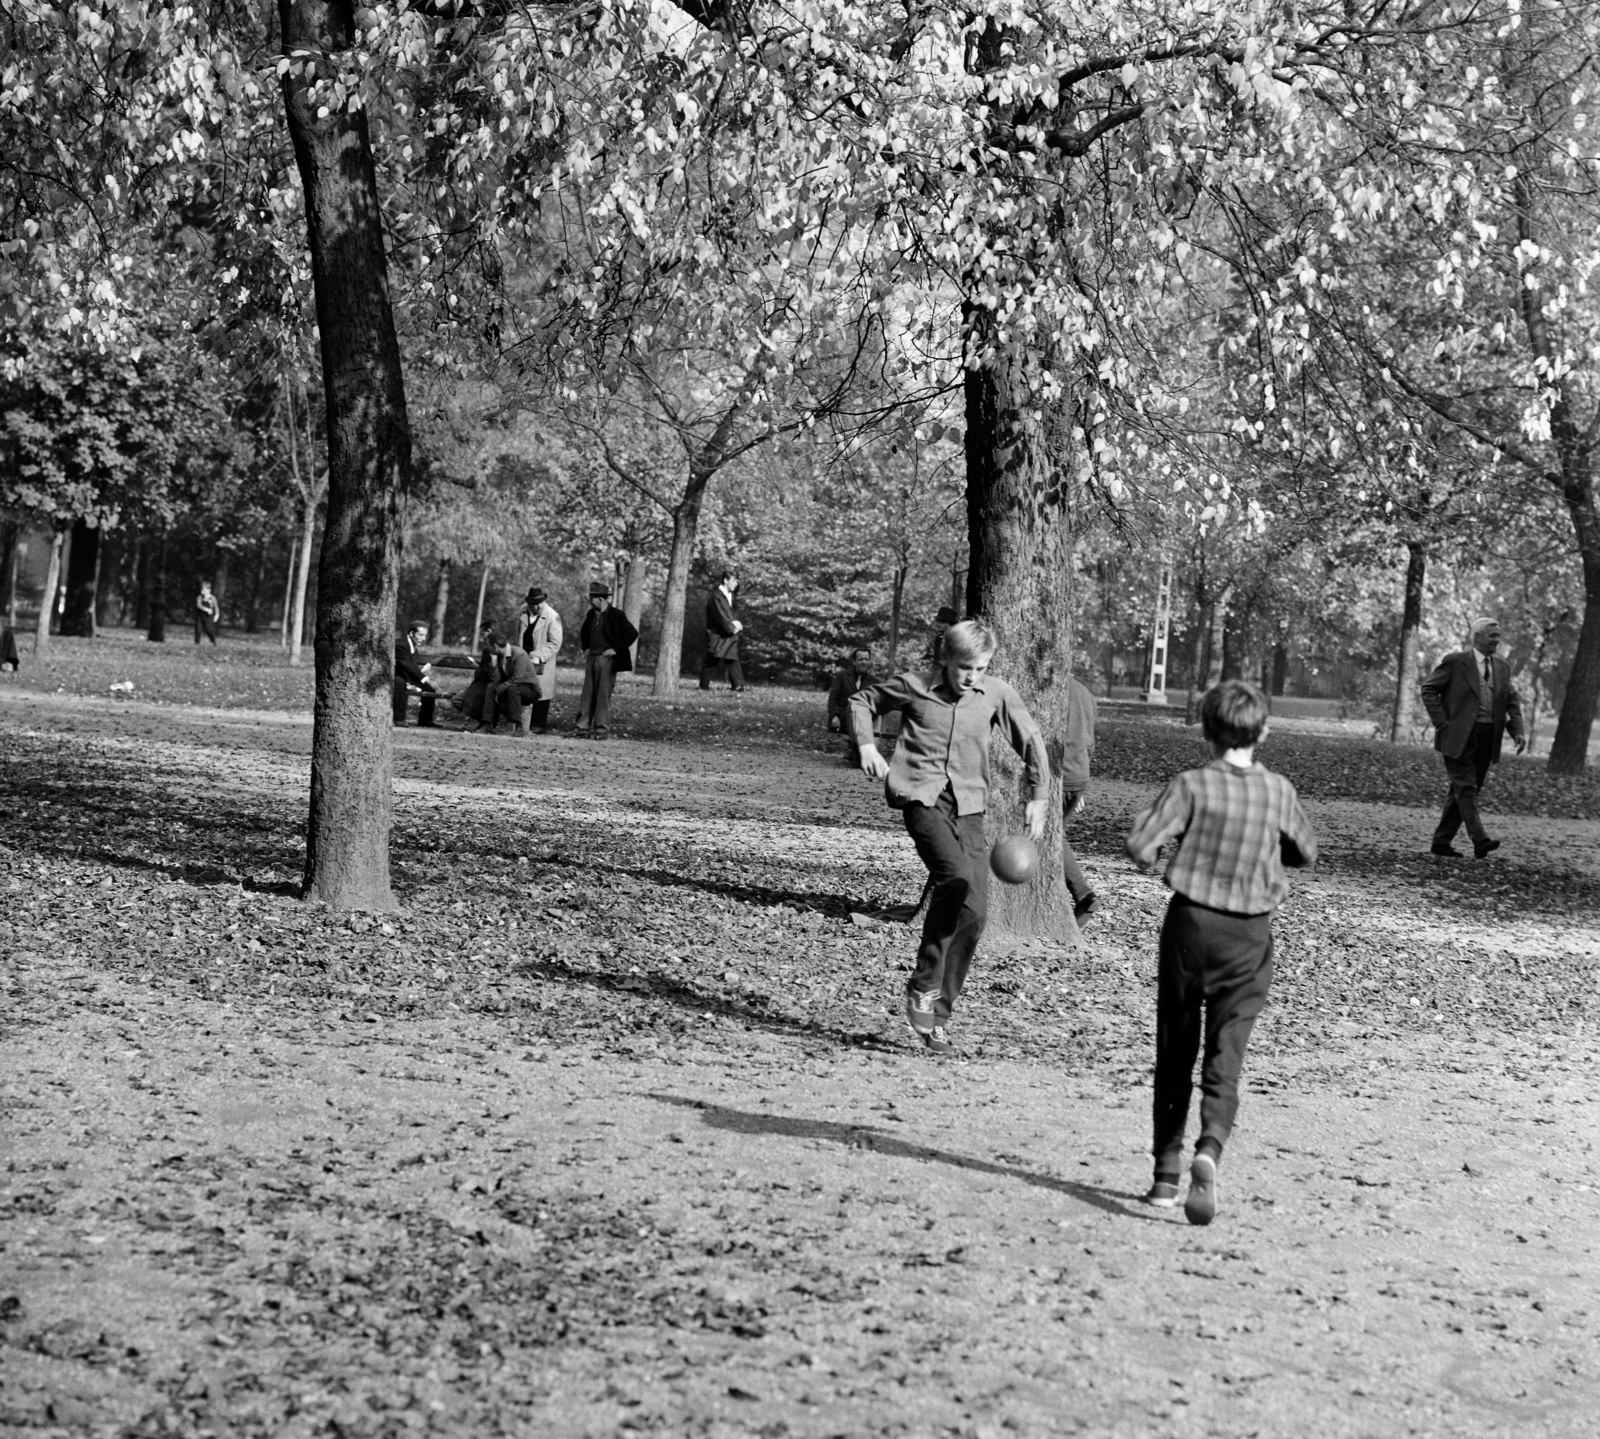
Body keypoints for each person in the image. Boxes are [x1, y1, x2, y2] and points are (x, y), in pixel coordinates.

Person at [1124, 679, 1317, 1226]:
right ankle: (1209, 1147)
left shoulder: (1190, 785)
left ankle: (1164, 1176)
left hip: (1190, 927)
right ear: (1264, 731)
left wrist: (1158, 854)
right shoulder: (1278, 790)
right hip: (1250, 936)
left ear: (1206, 730)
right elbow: (1306, 851)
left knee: (1175, 1047)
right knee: (1225, 1053)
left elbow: (1141, 846)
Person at [849, 619, 1050, 1056]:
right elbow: (863, 700)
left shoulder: (995, 693)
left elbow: (1031, 740)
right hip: (922, 801)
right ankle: (922, 984)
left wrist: (1039, 796)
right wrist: (866, 745)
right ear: (946, 659)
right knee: (954, 879)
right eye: (964, 667)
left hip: (970, 811)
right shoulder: (915, 686)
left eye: (980, 668)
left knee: (975, 915)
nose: (971, 676)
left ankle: (938, 1014)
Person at [1419, 617, 1526, 859]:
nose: (1496, 640)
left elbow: (1511, 701)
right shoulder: (1455, 662)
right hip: (1458, 737)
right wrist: (1442, 723)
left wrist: (1517, 731)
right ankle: (1480, 840)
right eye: (1492, 636)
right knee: (1466, 788)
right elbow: (1428, 689)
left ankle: (1441, 842)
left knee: (1465, 790)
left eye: (1498, 636)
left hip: (1488, 737)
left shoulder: (1502, 667)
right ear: (1476, 637)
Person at [1058, 672, 1100, 924]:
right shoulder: (1086, 693)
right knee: (1053, 835)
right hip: (1078, 775)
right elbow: (1090, 743)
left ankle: (1084, 895)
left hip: (1060, 775)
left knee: (1051, 837)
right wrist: (1079, 784)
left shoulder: (1050, 691)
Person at [576, 581, 638, 739]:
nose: (590, 601)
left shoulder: (617, 615)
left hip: (607, 660)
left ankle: (601, 730)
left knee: (603, 696)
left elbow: (632, 633)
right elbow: (584, 632)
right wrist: (586, 648)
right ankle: (582, 728)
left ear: (601, 599)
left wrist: (616, 649)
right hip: (592, 659)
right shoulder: (591, 615)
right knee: (587, 695)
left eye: (592, 598)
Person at [516, 585, 564, 733]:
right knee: (523, 687)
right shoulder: (522, 611)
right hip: (524, 657)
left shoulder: (552, 616)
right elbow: (519, 633)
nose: (538, 606)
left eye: (541, 602)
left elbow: (555, 643)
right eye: (535, 603)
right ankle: (522, 721)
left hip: (542, 660)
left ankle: (538, 724)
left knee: (541, 690)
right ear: (529, 603)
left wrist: (539, 656)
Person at [480, 632, 542, 735]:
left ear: (495, 647)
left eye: (489, 646)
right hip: (511, 687)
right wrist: (494, 663)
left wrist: (499, 689)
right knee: (491, 687)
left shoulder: (519, 654)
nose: (487, 649)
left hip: (529, 689)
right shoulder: (499, 655)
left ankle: (519, 727)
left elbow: (517, 679)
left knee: (512, 689)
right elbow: (496, 680)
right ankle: (487, 724)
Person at [699, 570, 746, 691]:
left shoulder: (731, 596)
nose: (736, 583)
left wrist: (736, 624)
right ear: (725, 580)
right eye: (734, 580)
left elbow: (731, 614)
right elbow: (720, 616)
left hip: (728, 633)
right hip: (717, 633)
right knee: (712, 659)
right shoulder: (715, 597)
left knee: (732, 657)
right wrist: (732, 627)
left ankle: (738, 686)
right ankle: (703, 686)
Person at [827, 647, 877, 760]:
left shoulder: (874, 682)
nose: (863, 662)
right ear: (854, 662)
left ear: (869, 662)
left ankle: (857, 750)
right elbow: (833, 698)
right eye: (860, 659)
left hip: (864, 719)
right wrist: (834, 715)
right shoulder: (842, 676)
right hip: (844, 717)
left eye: (866, 659)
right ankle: (855, 749)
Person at [393, 620, 439, 728]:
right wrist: (425, 679)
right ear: (412, 633)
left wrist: (424, 676)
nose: (423, 639)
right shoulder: (401, 645)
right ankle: (399, 719)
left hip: (406, 676)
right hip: (397, 677)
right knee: (400, 682)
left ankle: (425, 719)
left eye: (425, 635)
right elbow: (407, 667)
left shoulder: (412, 647)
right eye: (421, 635)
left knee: (429, 687)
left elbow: (411, 668)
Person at [452, 626, 501, 722]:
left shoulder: (493, 649)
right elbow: (486, 667)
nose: (483, 638)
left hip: (487, 685)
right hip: (481, 683)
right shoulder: (489, 649)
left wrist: (477, 667)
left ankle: (484, 722)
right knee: (458, 700)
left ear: (489, 631)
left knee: (459, 700)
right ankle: (482, 721)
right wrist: (477, 665)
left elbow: (489, 673)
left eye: (483, 634)